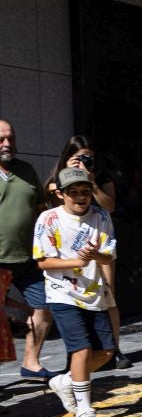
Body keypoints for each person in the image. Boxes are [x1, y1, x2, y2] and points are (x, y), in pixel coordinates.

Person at [33, 167, 117, 417]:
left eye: (85, 192)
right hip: (62, 292)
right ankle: (84, 409)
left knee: (106, 352)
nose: (81, 197)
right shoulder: (49, 219)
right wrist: (77, 261)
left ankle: (67, 381)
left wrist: (95, 256)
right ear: (60, 194)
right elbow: (43, 261)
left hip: (93, 291)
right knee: (81, 350)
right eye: (73, 192)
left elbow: (109, 255)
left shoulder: (101, 216)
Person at [43, 139, 132, 369]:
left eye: (88, 158)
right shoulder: (58, 178)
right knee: (71, 304)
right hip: (67, 246)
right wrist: (70, 173)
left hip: (99, 240)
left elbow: (109, 206)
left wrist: (90, 182)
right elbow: (51, 195)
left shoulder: (99, 178)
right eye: (79, 158)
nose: (84, 162)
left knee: (108, 295)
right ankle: (77, 354)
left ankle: (113, 349)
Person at [0, 119, 54, 379]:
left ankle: (31, 363)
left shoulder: (26, 170)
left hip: (26, 258)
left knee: (42, 307)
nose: (7, 144)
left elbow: (41, 210)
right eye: (1, 139)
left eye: (11, 138)